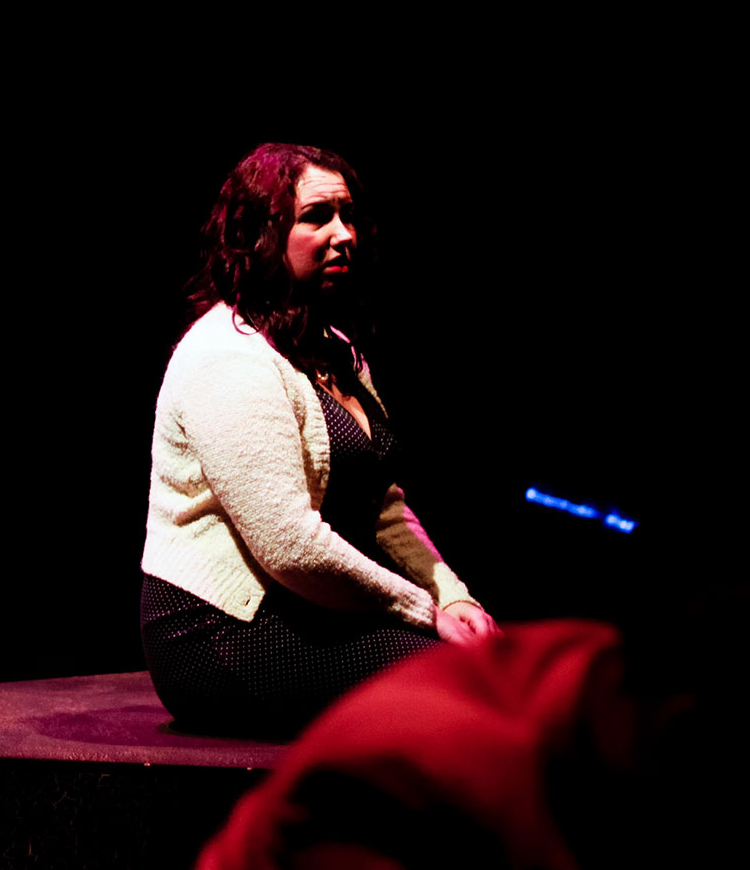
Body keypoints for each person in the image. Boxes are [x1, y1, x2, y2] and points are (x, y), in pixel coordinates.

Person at [140, 142, 498, 736]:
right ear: (259, 234)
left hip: (315, 606)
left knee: (494, 666)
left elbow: (383, 509)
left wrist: (456, 597)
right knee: (457, 686)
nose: (344, 233)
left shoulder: (335, 350)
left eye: (348, 214)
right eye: (316, 217)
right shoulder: (225, 354)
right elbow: (290, 546)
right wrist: (426, 612)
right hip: (223, 629)